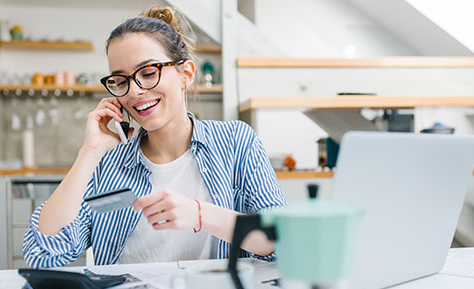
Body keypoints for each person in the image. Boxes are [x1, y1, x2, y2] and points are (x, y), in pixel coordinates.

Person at [23, 6, 287, 268]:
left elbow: (283, 240)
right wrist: (89, 152)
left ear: (186, 74)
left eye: (148, 73)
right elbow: (44, 253)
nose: (135, 91)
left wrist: (199, 213)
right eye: (121, 80)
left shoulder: (235, 142)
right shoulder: (108, 162)